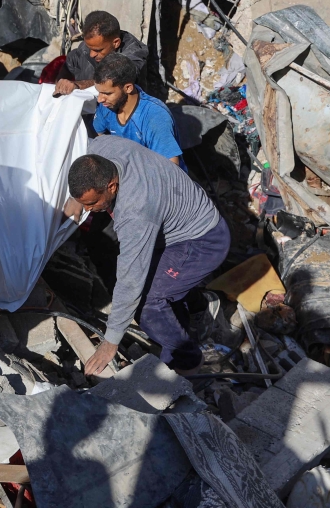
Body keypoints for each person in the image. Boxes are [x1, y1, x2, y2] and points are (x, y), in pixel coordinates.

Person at [65, 136, 229, 375]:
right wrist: (76, 199)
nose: (88, 209)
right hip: (176, 223)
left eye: (93, 203)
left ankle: (188, 362)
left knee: (148, 304)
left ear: (111, 186)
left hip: (202, 241)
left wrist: (111, 341)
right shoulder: (101, 148)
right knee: (160, 288)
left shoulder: (136, 211)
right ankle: (195, 314)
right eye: (86, 203)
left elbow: (131, 279)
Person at [91, 53, 186, 170]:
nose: (100, 99)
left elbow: (171, 169)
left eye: (107, 93)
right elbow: (98, 138)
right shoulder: (107, 105)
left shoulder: (154, 117)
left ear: (128, 88)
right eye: (99, 92)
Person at [54, 10, 149, 96]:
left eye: (98, 50)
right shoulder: (89, 46)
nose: (91, 54)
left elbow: (117, 78)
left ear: (116, 43)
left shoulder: (133, 53)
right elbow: (70, 62)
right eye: (89, 48)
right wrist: (61, 84)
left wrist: (79, 85)